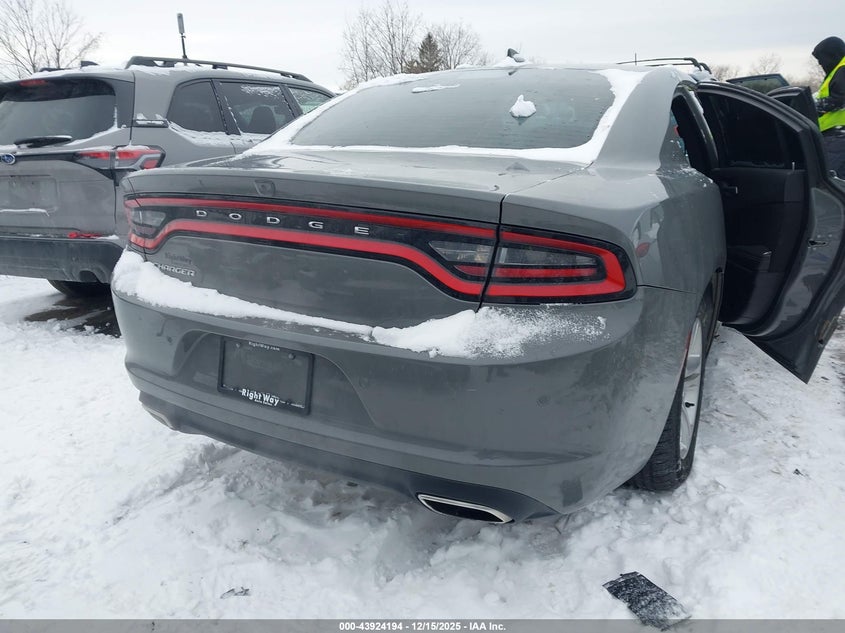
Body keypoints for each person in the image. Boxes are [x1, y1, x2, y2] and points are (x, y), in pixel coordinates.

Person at [812, 36, 845, 177]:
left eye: (822, 60)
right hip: (836, 135)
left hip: (837, 136)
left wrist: (815, 106)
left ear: (833, 55)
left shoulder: (842, 70)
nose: (821, 64)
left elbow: (840, 98)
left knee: (828, 178)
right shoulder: (838, 69)